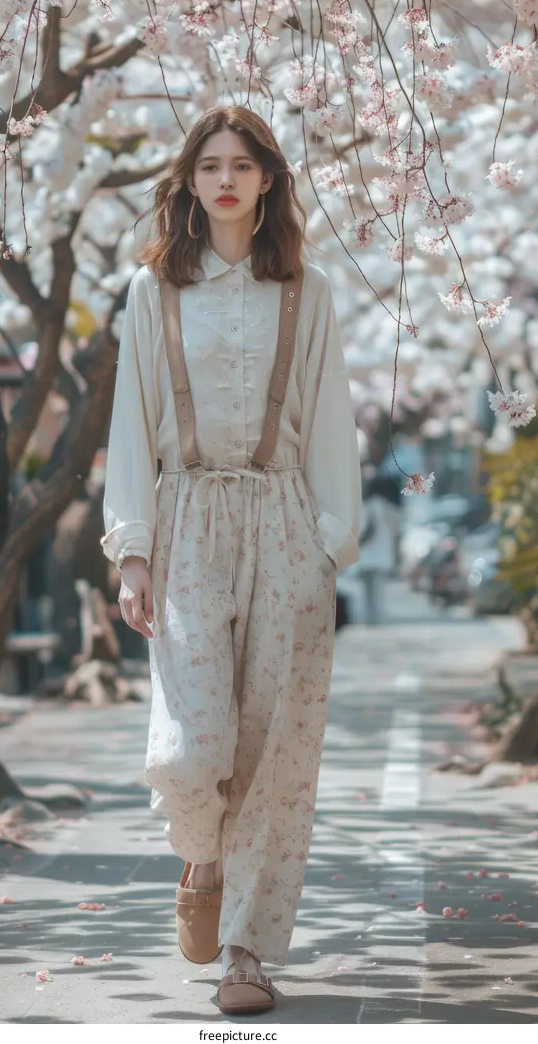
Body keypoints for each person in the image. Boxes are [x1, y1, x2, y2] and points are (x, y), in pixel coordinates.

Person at [100, 105, 361, 1015]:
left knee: (275, 753)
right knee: (192, 745)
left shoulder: (308, 289)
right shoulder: (151, 292)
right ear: (189, 181)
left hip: (286, 516)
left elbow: (332, 425)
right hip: (187, 522)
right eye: (209, 164)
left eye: (241, 165)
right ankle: (202, 852)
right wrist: (133, 551)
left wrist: (328, 547)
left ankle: (248, 949)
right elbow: (131, 425)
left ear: (267, 182)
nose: (224, 178)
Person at [356, 468, 402, 625]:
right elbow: (398, 528)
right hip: (381, 557)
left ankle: (367, 618)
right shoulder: (390, 509)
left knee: (366, 591)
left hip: (366, 555)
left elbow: (359, 530)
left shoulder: (365, 507)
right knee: (378, 590)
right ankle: (377, 618)